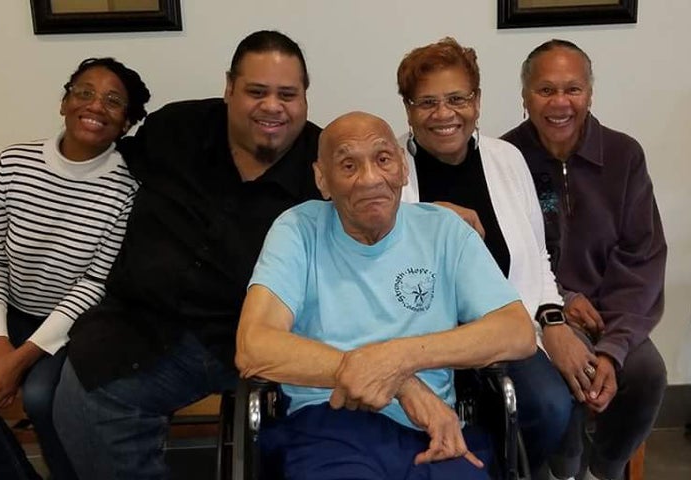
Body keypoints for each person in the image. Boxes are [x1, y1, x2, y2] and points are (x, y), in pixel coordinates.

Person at [52, 30, 322, 479]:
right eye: (257, 91)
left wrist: (431, 210)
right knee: (79, 399)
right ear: (229, 88)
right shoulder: (175, 128)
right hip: (140, 323)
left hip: (246, 337)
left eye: (287, 94)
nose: (272, 106)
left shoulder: (324, 161)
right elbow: (103, 164)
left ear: (305, 98)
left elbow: (376, 209)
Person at [235, 111, 537, 480]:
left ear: (402, 168)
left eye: (383, 159)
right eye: (348, 165)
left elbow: (518, 332)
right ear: (322, 179)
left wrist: (399, 358)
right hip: (329, 423)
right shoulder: (298, 230)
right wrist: (401, 382)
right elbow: (254, 346)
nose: (370, 179)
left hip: (434, 428)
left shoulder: (444, 231)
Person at [396, 37, 572, 477]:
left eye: (457, 98)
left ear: (476, 101)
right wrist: (430, 216)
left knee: (550, 407)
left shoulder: (507, 159)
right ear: (408, 107)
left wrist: (552, 321)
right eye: (427, 102)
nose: (444, 114)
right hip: (422, 334)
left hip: (501, 328)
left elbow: (537, 257)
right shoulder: (387, 166)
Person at [0, 57, 149, 480]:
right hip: (9, 310)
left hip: (77, 323)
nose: (95, 106)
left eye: (112, 101)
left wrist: (20, 359)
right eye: (84, 92)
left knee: (40, 397)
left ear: (126, 123)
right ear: (64, 102)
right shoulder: (13, 164)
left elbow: (94, 285)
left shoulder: (128, 188)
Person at [502, 39, 667, 480]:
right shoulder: (504, 159)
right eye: (545, 90)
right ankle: (565, 471)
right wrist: (562, 301)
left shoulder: (624, 155)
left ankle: (605, 470)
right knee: (566, 377)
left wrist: (613, 348)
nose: (560, 103)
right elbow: (508, 255)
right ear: (524, 96)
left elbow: (643, 257)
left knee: (648, 373)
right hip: (538, 313)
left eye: (572, 89)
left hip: (612, 315)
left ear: (590, 93)